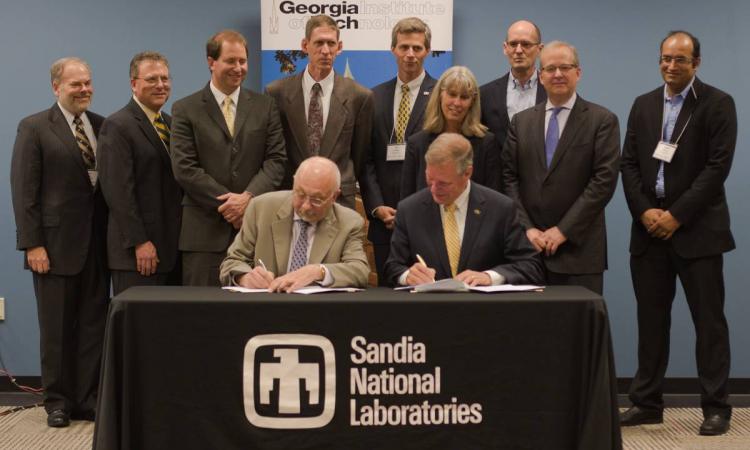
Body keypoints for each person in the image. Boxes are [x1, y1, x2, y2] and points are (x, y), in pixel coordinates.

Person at [619, 31, 736, 436]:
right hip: (648, 230)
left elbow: (717, 168)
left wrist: (678, 215)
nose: (671, 66)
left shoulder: (718, 104)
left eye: (680, 60)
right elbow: (628, 164)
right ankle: (647, 403)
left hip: (698, 232)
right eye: (665, 58)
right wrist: (646, 210)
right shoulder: (643, 104)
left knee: (709, 323)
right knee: (651, 322)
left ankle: (717, 407)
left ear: (696, 63)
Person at [10, 57, 109, 427]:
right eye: (75, 85)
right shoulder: (34, 127)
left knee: (92, 327)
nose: (84, 89)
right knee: (56, 329)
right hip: (51, 250)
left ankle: (87, 400)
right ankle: (57, 402)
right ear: (57, 87)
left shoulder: (102, 126)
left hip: (97, 248)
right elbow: (24, 191)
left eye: (87, 82)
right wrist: (32, 244)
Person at [502, 41, 620, 295]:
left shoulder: (602, 120)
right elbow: (508, 178)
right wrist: (528, 228)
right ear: (540, 75)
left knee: (577, 332)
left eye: (565, 67)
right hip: (528, 251)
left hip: (579, 251)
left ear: (578, 73)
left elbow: (603, 182)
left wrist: (563, 230)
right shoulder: (521, 122)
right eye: (550, 68)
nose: (557, 74)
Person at [170, 30, 287, 286]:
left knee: (254, 320)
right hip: (203, 234)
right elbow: (184, 168)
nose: (238, 68)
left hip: (255, 232)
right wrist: (230, 205)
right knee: (201, 317)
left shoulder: (265, 106)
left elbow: (276, 160)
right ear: (211, 62)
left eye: (243, 61)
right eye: (230, 61)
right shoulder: (184, 109)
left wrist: (248, 200)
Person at [384, 133, 543, 287]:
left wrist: (489, 276)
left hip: (482, 309)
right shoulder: (410, 210)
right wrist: (408, 276)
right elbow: (393, 267)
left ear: (467, 172)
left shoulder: (500, 208)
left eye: (443, 183)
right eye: (429, 180)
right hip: (428, 309)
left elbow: (530, 266)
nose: (434, 189)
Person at [266, 14, 373, 209]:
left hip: (338, 200)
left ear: (339, 47)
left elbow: (360, 156)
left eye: (331, 44)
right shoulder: (277, 92)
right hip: (290, 198)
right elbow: (274, 152)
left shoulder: (360, 96)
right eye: (319, 43)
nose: (325, 51)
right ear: (305, 45)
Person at [359, 17, 437, 285]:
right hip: (385, 221)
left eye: (417, 48)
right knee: (386, 300)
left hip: (428, 218)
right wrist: (377, 206)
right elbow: (366, 159)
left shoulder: (441, 95)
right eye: (404, 47)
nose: (410, 55)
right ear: (393, 49)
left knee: (426, 298)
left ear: (427, 50)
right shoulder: (373, 96)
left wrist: (415, 208)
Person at [98, 51, 182, 295]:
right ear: (134, 84)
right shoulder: (117, 125)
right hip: (138, 255)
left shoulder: (172, 123)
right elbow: (118, 192)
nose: (161, 85)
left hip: (172, 250)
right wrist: (140, 242)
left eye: (165, 79)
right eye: (152, 79)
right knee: (141, 330)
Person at [220, 157, 369, 292]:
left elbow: (360, 271)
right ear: (293, 183)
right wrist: (244, 277)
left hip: (320, 311)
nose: (305, 206)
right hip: (266, 307)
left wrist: (318, 271)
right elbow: (233, 261)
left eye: (316, 200)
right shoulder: (260, 208)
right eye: (300, 194)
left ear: (334, 196)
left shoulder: (349, 222)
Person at [400, 66, 501, 199]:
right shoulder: (417, 143)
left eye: (464, 97)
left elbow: (492, 200)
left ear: (472, 102)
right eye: (452, 94)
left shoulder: (487, 143)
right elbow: (407, 204)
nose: (457, 103)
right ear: (440, 95)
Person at [480, 19, 547, 162]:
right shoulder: (485, 95)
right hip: (497, 181)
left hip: (542, 180)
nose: (518, 50)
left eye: (526, 44)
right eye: (513, 44)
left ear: (540, 49)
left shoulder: (553, 93)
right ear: (505, 48)